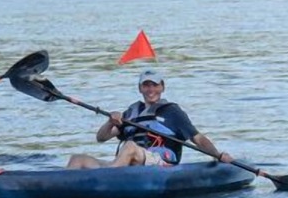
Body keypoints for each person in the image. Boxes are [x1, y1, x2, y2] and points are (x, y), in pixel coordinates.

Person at [66, 68, 234, 169]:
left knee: (130, 146)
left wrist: (218, 155)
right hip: (127, 164)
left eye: (155, 85)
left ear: (162, 87)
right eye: (146, 85)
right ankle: (64, 190)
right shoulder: (132, 112)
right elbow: (101, 137)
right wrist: (110, 121)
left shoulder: (172, 111)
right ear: (140, 88)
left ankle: (107, 178)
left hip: (160, 163)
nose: (150, 89)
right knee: (78, 159)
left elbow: (198, 138)